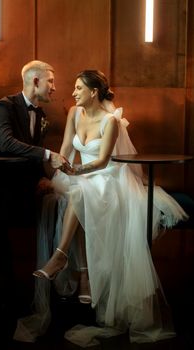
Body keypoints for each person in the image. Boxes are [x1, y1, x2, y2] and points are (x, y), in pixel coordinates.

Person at [15, 70, 188, 344]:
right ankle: (80, 274)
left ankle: (62, 258)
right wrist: (56, 174)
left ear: (93, 92)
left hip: (107, 178)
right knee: (63, 196)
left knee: (79, 193)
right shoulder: (74, 113)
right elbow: (64, 151)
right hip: (79, 175)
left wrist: (75, 171)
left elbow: (104, 161)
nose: (72, 93)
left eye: (78, 88)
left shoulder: (111, 122)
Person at [0, 60, 70, 340]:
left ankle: (59, 290)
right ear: (35, 82)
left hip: (26, 191)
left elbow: (29, 156)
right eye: (51, 82)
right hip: (0, 193)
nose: (55, 87)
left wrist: (41, 179)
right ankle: (3, 302)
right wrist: (47, 155)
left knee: (65, 204)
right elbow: (5, 143)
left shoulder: (41, 113)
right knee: (1, 248)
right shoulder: (4, 107)